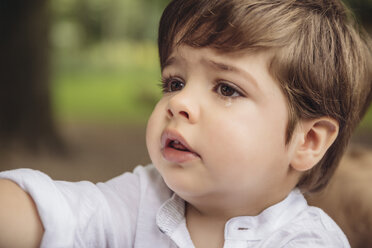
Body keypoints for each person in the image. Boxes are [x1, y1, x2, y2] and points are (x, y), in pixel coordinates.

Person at [1, 0, 372, 247]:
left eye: (227, 88)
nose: (178, 101)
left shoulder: (306, 241)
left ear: (307, 140)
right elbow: (56, 213)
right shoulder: (144, 198)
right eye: (175, 82)